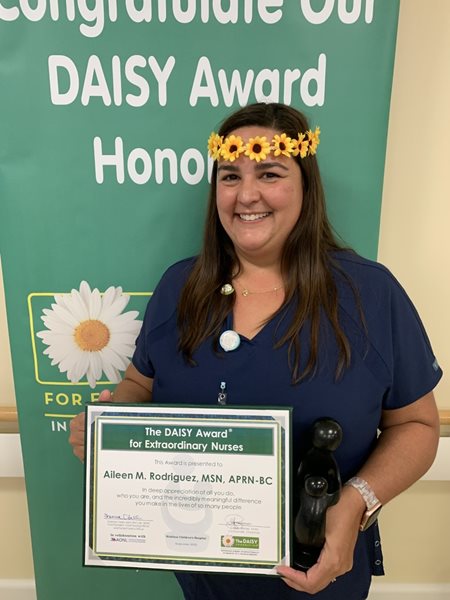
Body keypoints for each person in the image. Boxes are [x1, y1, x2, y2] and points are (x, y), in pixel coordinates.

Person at [69, 102, 442, 599]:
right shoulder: (181, 286)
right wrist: (110, 431)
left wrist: (357, 501)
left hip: (319, 581)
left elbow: (416, 425)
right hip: (202, 580)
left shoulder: (368, 295)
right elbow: (140, 385)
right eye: (230, 176)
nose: (247, 195)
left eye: (270, 173)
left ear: (305, 186)